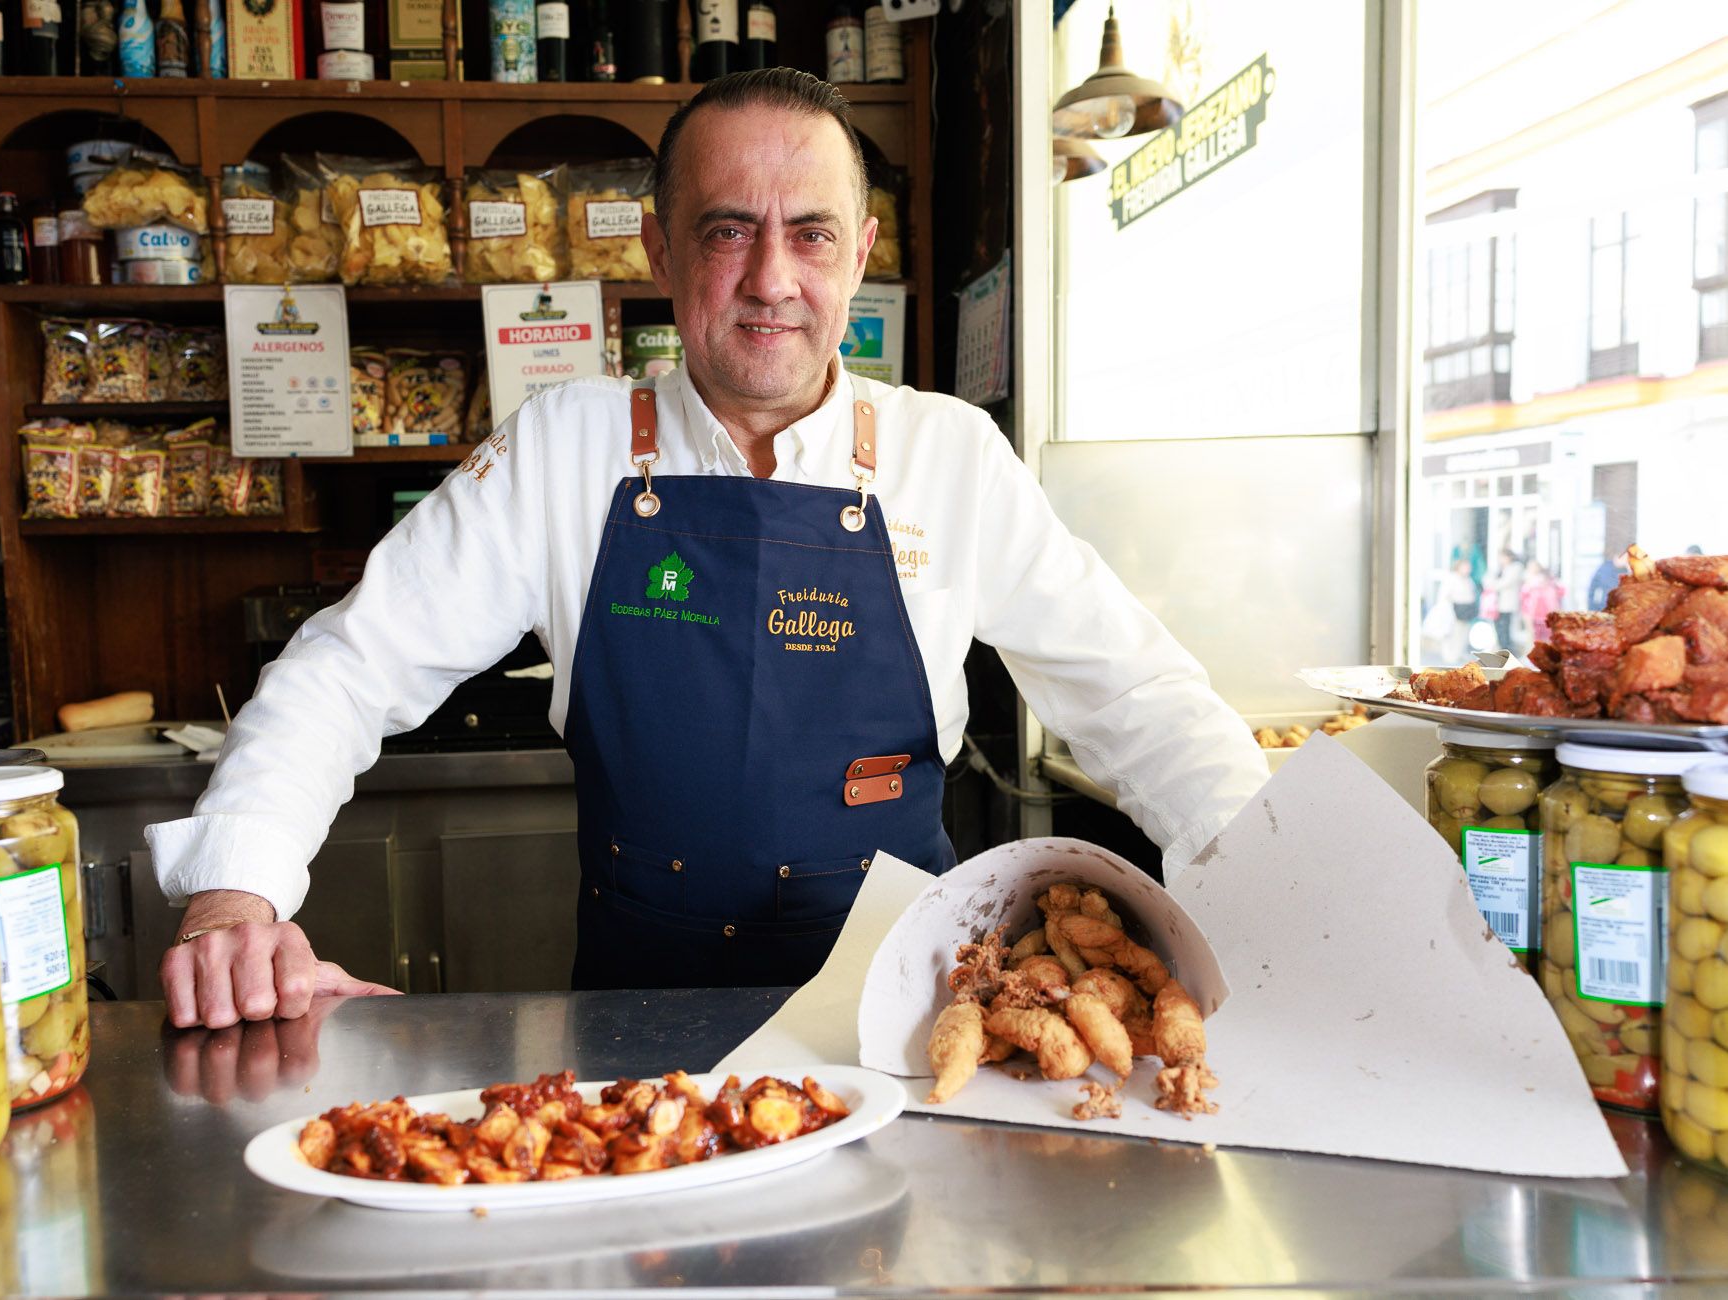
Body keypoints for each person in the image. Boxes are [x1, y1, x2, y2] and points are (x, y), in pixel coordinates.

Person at [146, 70, 1268, 1030]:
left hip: (907, 1024)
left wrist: (1285, 886)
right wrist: (236, 892)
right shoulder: (565, 451)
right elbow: (352, 665)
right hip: (636, 1033)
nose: (772, 277)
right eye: (728, 228)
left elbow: (1141, 699)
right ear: (661, 248)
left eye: (812, 233)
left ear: (862, 252)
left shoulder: (950, 457)